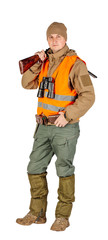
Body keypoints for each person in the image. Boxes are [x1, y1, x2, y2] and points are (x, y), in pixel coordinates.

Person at [16, 22, 95, 231]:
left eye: (58, 36)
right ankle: (37, 213)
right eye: (50, 37)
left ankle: (62, 217)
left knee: (64, 169)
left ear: (65, 38)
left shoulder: (76, 64)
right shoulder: (43, 62)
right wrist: (36, 62)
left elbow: (89, 96)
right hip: (42, 127)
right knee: (34, 167)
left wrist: (68, 115)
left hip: (65, 128)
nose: (54, 40)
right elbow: (26, 83)